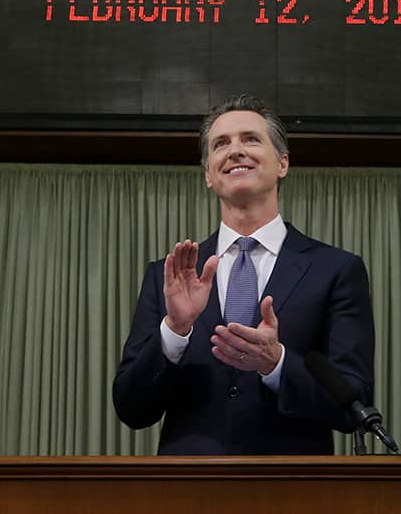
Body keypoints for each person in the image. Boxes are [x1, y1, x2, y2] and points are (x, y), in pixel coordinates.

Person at [112, 95, 375, 454]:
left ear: (282, 163)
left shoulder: (337, 270)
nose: (235, 151)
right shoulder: (170, 274)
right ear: (208, 174)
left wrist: (277, 363)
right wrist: (174, 332)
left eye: (250, 139)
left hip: (294, 494)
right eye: (221, 144)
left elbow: (353, 402)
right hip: (186, 496)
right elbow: (132, 408)